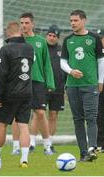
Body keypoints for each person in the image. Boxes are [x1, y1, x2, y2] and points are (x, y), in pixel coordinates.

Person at [60, 10, 104, 162]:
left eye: (76, 20)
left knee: (91, 117)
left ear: (84, 21)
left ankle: (92, 148)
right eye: (71, 20)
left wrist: (100, 81)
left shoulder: (94, 38)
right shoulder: (67, 40)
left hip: (90, 85)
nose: (73, 23)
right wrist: (71, 71)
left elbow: (101, 61)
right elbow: (63, 62)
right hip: (72, 86)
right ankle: (84, 153)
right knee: (78, 119)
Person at [11, 12, 55, 155]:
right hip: (20, 81)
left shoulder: (41, 41)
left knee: (41, 113)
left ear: (32, 24)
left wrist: (50, 83)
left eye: (26, 23)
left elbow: (46, 63)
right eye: (22, 23)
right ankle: (16, 147)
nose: (24, 25)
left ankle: (48, 146)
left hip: (37, 82)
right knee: (16, 115)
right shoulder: (16, 41)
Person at [0, 21, 34, 168]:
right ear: (20, 31)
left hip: (9, 94)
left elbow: (1, 75)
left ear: (9, 32)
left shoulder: (5, 49)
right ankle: (24, 160)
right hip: (27, 93)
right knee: (23, 126)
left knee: (1, 125)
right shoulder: (30, 49)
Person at [29, 25, 66, 153]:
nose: (51, 38)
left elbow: (66, 67)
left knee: (53, 115)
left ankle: (49, 144)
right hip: (42, 86)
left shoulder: (62, 51)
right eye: (49, 35)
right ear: (46, 36)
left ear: (58, 38)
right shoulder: (40, 47)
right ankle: (31, 143)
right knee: (38, 114)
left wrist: (65, 86)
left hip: (59, 88)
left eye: (54, 36)